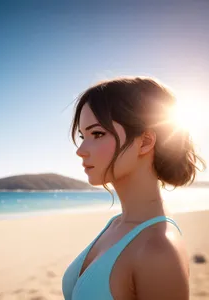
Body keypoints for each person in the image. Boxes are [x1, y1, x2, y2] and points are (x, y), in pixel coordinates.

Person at [62, 77, 206, 300]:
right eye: (82, 136)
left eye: (97, 134)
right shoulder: (117, 224)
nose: (80, 150)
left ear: (145, 141)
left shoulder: (158, 250)